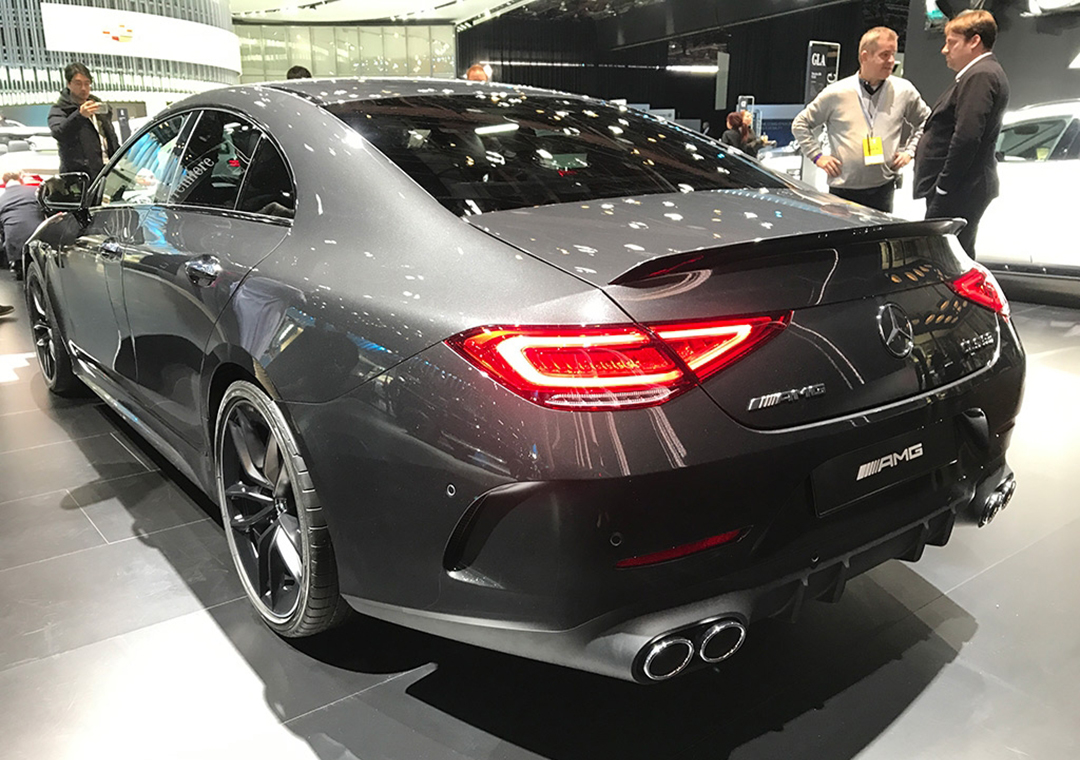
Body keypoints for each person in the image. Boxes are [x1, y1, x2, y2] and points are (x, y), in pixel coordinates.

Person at [792, 27, 931, 213]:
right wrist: (817, 157)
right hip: (843, 191)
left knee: (880, 233)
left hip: (884, 189)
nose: (892, 60)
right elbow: (800, 124)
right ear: (865, 56)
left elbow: (927, 121)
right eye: (885, 55)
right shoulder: (837, 93)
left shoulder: (903, 90)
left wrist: (910, 151)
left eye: (893, 54)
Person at [914, 10, 1009, 258]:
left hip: (959, 189)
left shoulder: (981, 75)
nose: (945, 50)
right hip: (962, 187)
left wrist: (944, 187)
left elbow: (967, 136)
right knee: (952, 256)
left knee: (944, 258)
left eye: (951, 42)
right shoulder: (981, 73)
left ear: (974, 41)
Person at [48, 62, 119, 179]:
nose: (83, 88)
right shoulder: (60, 109)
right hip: (81, 178)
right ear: (69, 84)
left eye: (87, 83)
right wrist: (79, 116)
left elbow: (111, 139)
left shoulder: (98, 106)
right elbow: (59, 133)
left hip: (108, 171)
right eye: (78, 83)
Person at [0, 171, 47, 276]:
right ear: (21, 180)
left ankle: (19, 268)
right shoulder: (35, 191)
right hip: (39, 235)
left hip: (15, 243)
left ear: (4, 182)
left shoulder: (1, 199)